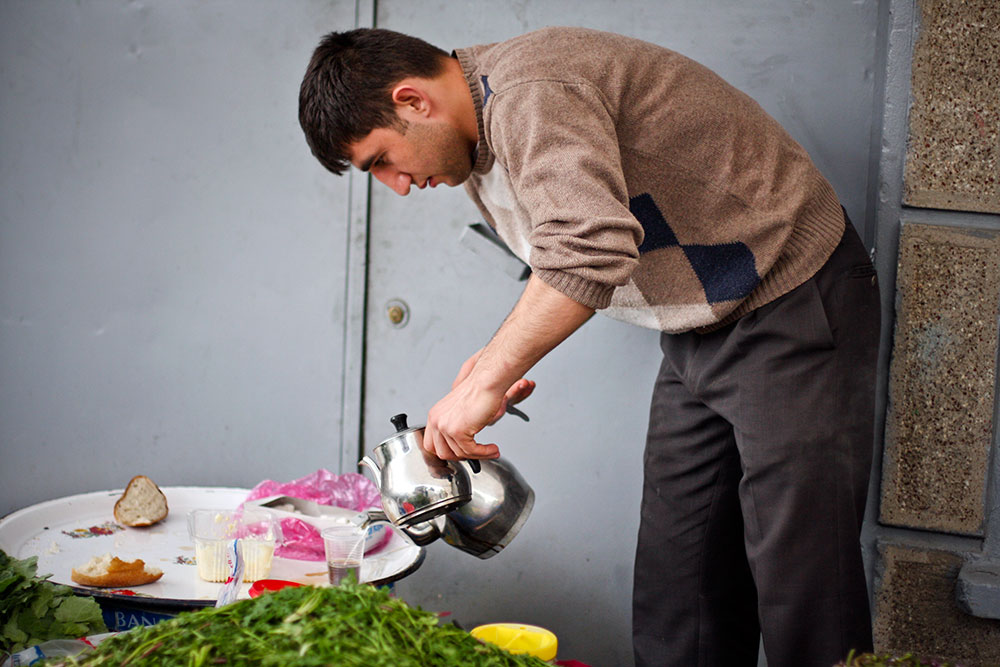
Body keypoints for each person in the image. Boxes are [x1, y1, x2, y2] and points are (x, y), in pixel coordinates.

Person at [298, 26, 881, 667]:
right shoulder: (479, 138)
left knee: (803, 575)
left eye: (380, 159)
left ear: (413, 101)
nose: (397, 185)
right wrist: (483, 373)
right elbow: (563, 250)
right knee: (678, 579)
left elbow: (590, 245)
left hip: (788, 300)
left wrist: (492, 375)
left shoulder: (530, 92)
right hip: (699, 327)